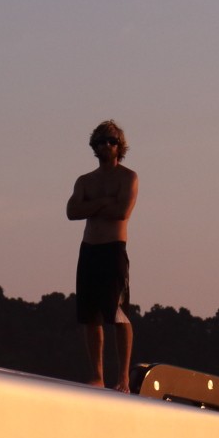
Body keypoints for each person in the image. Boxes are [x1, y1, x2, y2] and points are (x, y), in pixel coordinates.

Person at [66, 119, 138, 391]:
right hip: (89, 250)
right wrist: (105, 201)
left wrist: (92, 206)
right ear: (94, 146)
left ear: (120, 146)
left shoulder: (128, 177)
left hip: (113, 250)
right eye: (100, 141)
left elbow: (122, 212)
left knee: (118, 315)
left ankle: (123, 378)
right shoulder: (85, 181)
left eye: (111, 141)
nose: (106, 145)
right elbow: (72, 211)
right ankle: (97, 375)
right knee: (90, 316)